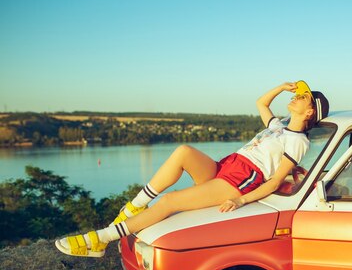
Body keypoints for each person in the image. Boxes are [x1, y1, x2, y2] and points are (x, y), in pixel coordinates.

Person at [55, 81, 329, 257]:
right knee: (183, 152)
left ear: (309, 112)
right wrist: (280, 88)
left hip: (241, 181)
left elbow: (273, 182)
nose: (297, 96)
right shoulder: (279, 125)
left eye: (303, 97)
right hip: (228, 165)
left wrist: (240, 199)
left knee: (171, 201)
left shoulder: (298, 142)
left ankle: (101, 238)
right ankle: (134, 207)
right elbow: (261, 103)